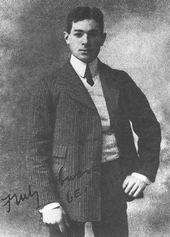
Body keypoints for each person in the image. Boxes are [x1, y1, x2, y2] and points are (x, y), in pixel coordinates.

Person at [26, 6, 161, 237]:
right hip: (67, 185)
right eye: (78, 34)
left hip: (111, 180)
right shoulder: (50, 85)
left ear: (103, 38)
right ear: (67, 38)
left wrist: (142, 173)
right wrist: (48, 202)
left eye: (93, 34)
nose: (85, 41)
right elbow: (36, 151)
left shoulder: (119, 80)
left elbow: (149, 127)